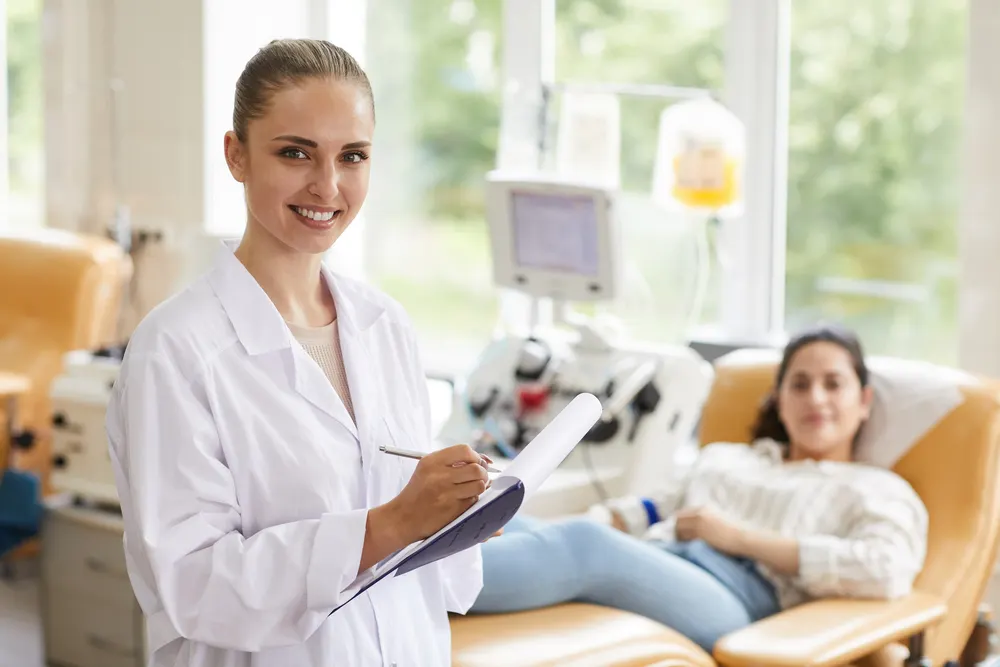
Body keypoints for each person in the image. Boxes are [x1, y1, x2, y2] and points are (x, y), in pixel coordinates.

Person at [106, 39, 493, 667]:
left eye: (353, 156)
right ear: (237, 155)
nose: (328, 185)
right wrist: (390, 523)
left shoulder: (384, 324)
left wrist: (454, 513)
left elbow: (424, 575)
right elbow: (195, 587)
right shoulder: (176, 350)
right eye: (295, 153)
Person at [470, 325, 929, 653]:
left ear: (864, 401)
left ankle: (415, 579)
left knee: (585, 547)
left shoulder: (878, 489)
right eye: (800, 384)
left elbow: (885, 569)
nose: (815, 398)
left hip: (742, 600)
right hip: (663, 557)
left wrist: (739, 539)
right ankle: (424, 555)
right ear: (780, 399)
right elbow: (652, 509)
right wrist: (590, 521)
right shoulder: (729, 457)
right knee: (518, 521)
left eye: (834, 384)